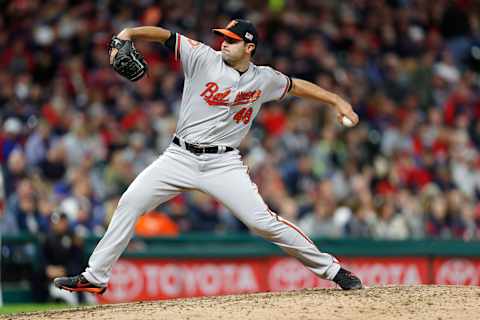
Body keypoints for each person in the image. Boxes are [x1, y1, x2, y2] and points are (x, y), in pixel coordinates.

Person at [54, 19, 362, 294]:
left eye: (231, 40)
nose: (223, 43)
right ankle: (95, 277)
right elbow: (164, 35)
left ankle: (334, 270)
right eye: (223, 38)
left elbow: (296, 86)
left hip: (222, 163)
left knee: (264, 223)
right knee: (130, 203)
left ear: (249, 47)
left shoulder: (264, 78)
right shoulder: (201, 57)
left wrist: (336, 100)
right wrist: (129, 32)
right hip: (179, 156)